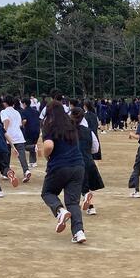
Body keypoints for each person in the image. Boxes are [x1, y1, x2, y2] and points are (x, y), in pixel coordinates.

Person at [40, 100, 87, 243]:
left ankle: (60, 211)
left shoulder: (49, 125)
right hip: (78, 165)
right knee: (73, 202)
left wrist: (46, 156)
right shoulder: (71, 124)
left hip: (60, 166)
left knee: (47, 192)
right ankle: (79, 232)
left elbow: (48, 145)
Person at [70, 106, 105, 215]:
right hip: (88, 160)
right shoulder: (89, 131)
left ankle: (82, 202)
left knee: (74, 185)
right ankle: (90, 205)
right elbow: (95, 149)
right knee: (84, 184)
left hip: (73, 162)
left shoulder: (67, 131)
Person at [1, 96, 31, 183]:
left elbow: (6, 121)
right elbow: (20, 124)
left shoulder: (3, 111)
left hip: (8, 136)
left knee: (6, 155)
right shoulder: (17, 112)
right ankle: (26, 171)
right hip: (18, 136)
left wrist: (4, 131)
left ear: (5, 103)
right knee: (21, 155)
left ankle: (6, 172)